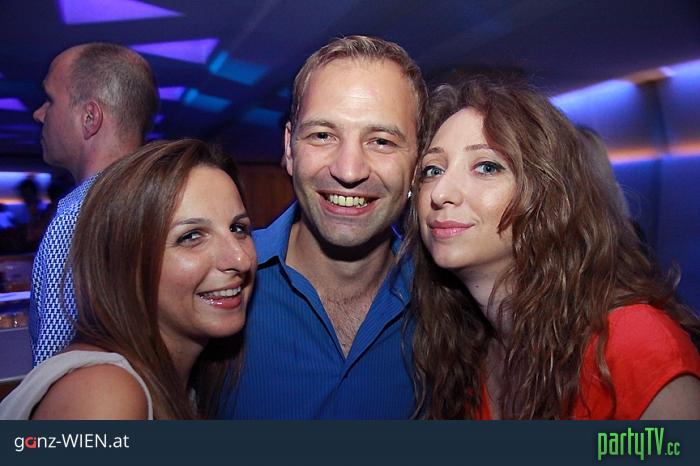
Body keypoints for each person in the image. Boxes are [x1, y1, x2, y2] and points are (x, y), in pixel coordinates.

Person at [407, 76, 700, 419]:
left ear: (549, 196)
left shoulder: (635, 344)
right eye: (432, 170)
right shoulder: (467, 349)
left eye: (487, 167)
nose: (441, 192)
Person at [221, 35, 427, 419]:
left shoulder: (449, 304)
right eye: (322, 135)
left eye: (381, 141)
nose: (349, 170)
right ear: (289, 148)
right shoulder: (217, 281)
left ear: (417, 162)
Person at [0, 139, 256, 419]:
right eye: (191, 236)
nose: (240, 260)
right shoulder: (106, 395)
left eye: (238, 228)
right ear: (126, 264)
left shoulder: (177, 379)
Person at [29, 42, 158, 366]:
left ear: (90, 117)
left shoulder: (78, 219)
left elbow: (57, 372)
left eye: (50, 100)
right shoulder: (165, 201)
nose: (38, 114)